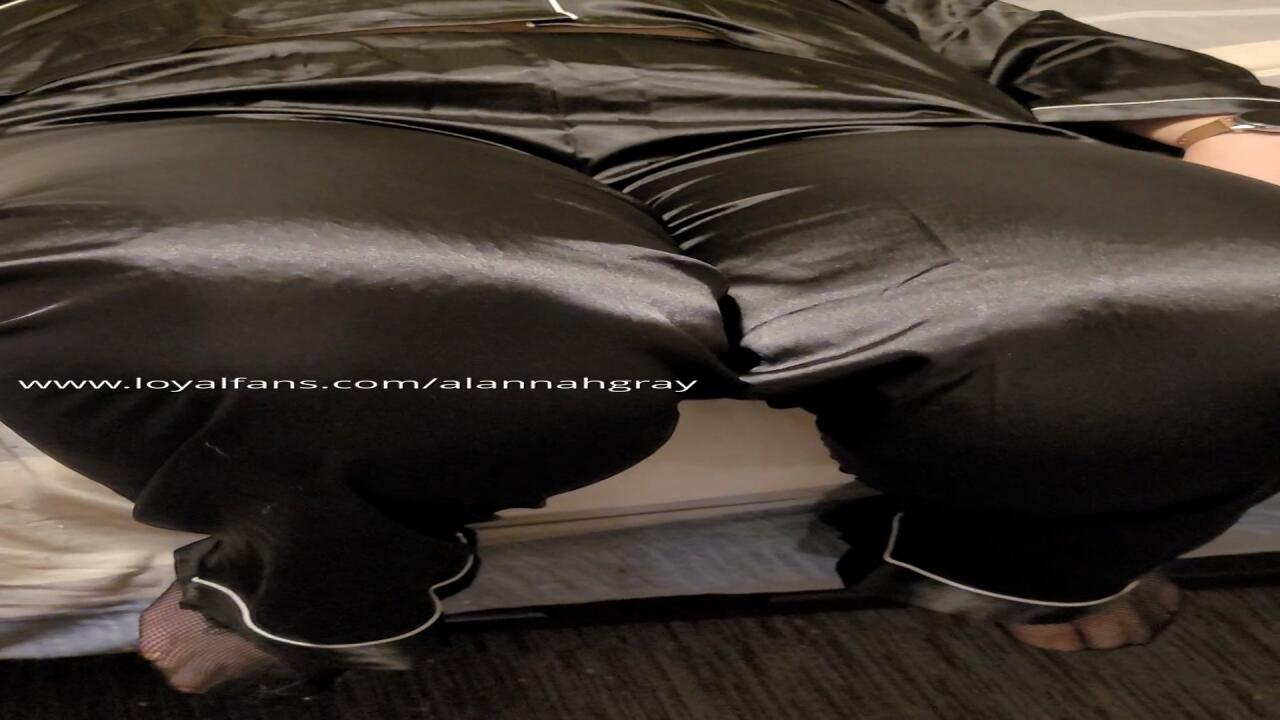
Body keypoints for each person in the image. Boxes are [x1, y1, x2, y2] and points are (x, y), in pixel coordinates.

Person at [0, 0, 1277, 696]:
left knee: (1220, 304)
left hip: (833, 106)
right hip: (242, 102)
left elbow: (1013, 36)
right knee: (324, 321)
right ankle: (303, 589)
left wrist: (1223, 121)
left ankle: (1040, 555)